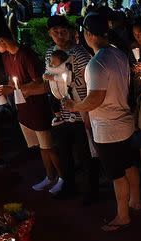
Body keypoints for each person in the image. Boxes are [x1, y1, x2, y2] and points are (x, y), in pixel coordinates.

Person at [64, 13, 141, 232]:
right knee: (129, 164)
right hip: (125, 121)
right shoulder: (118, 53)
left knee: (117, 174)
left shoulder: (96, 63)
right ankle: (135, 201)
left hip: (108, 128)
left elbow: (95, 99)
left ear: (88, 34)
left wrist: (74, 106)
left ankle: (123, 215)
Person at [0, 25, 63, 194]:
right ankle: (50, 176)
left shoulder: (26, 55)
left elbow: (40, 83)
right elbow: (10, 81)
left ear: (2, 40)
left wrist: (14, 90)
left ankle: (63, 177)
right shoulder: (6, 57)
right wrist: (3, 89)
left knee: (48, 145)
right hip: (23, 108)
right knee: (40, 146)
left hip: (37, 107)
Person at [35, 15, 96, 201]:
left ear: (70, 32)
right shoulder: (49, 53)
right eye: (55, 31)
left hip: (79, 108)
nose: (59, 34)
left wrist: (66, 81)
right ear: (50, 34)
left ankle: (91, 190)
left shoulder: (80, 54)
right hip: (60, 110)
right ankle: (69, 185)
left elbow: (88, 80)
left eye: (63, 30)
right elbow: (48, 74)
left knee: (85, 152)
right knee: (64, 150)